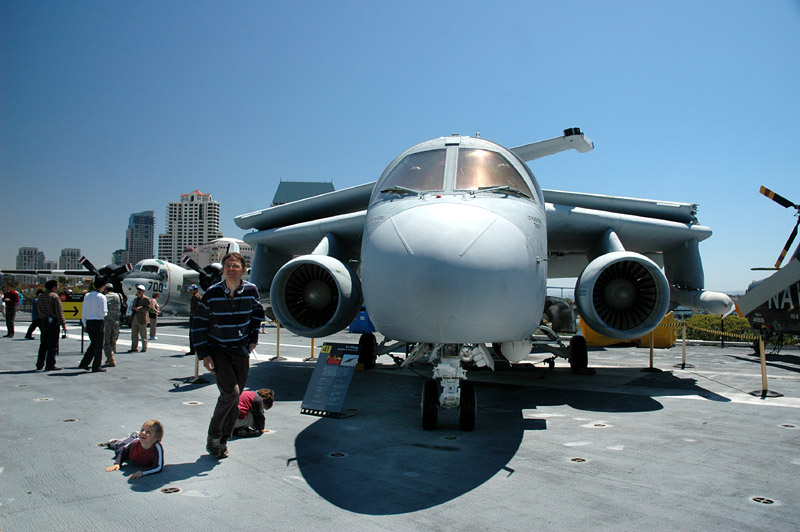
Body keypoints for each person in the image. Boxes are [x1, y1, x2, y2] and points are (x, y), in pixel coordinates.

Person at [192, 252, 265, 459]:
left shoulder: (251, 291)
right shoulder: (212, 293)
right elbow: (199, 324)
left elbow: (257, 316)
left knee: (235, 397)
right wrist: (204, 354)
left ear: (243, 270)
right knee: (231, 394)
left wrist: (253, 341)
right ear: (223, 270)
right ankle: (214, 437)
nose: (231, 269)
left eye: (235, 266)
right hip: (218, 349)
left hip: (240, 351)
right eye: (227, 266)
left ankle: (223, 441)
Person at [36, 279, 68, 371]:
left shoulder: (41, 296)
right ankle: (50, 364)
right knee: (53, 344)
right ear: (54, 287)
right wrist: (63, 324)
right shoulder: (54, 296)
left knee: (43, 344)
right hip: (53, 322)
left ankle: (39, 364)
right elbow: (59, 311)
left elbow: (39, 309)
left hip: (44, 321)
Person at [78, 281, 107, 372]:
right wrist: (104, 314)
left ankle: (84, 362)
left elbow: (84, 310)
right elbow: (103, 312)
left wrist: (84, 323)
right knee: (98, 345)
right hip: (98, 322)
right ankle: (96, 366)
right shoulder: (102, 297)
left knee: (93, 343)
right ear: (102, 286)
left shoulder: (87, 296)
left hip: (89, 321)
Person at [102, 283, 123, 367]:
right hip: (116, 322)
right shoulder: (119, 296)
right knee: (113, 340)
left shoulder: (104, 297)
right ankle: (111, 355)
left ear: (106, 289)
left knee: (106, 341)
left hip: (107, 322)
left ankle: (110, 358)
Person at [128, 285, 150, 353]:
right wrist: (133, 308)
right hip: (135, 317)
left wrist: (140, 308)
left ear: (143, 291)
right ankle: (134, 347)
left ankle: (144, 348)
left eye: (140, 290)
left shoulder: (146, 299)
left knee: (143, 334)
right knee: (134, 334)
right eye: (138, 290)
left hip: (142, 318)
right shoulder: (135, 299)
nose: (138, 291)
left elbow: (148, 308)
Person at [185, 284, 202, 356]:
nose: (190, 291)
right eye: (190, 290)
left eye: (192, 290)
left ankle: (193, 349)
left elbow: (199, 308)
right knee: (192, 334)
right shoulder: (195, 297)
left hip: (195, 318)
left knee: (194, 334)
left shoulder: (197, 297)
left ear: (196, 290)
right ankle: (193, 349)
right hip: (193, 317)